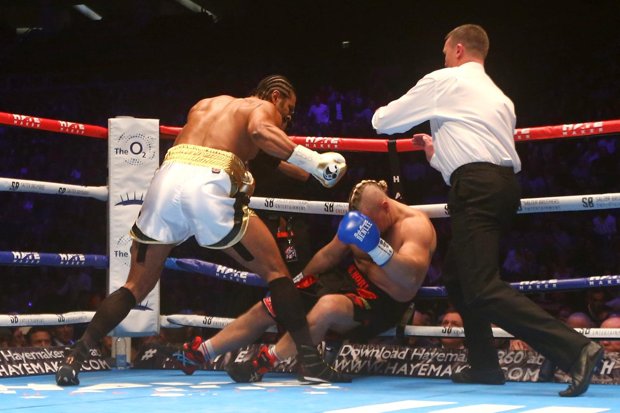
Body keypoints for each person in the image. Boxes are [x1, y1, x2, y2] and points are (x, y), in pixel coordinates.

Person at [55, 75, 348, 386]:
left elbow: (272, 160)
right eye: (288, 110)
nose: (287, 118)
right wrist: (315, 160)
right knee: (277, 273)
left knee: (135, 286)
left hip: (166, 179)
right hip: (208, 182)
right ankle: (310, 362)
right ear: (275, 96)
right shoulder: (262, 108)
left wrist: (312, 172)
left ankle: (75, 356)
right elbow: (261, 132)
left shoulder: (208, 105)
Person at [371, 24, 602, 397]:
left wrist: (378, 113)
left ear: (459, 50)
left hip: (477, 188)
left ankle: (575, 349)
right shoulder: (500, 97)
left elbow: (386, 122)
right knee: (459, 279)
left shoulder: (446, 80)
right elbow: (472, 155)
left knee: (481, 286)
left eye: (445, 52)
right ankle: (484, 364)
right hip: (496, 185)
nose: (443, 58)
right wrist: (436, 152)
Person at [178, 179, 436, 382]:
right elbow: (329, 255)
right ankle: (201, 352)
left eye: (371, 222)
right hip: (349, 282)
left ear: (385, 206)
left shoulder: (415, 226)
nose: (367, 227)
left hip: (384, 301)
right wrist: (298, 281)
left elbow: (410, 279)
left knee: (328, 307)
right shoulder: (360, 220)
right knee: (277, 302)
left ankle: (263, 362)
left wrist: (376, 246)